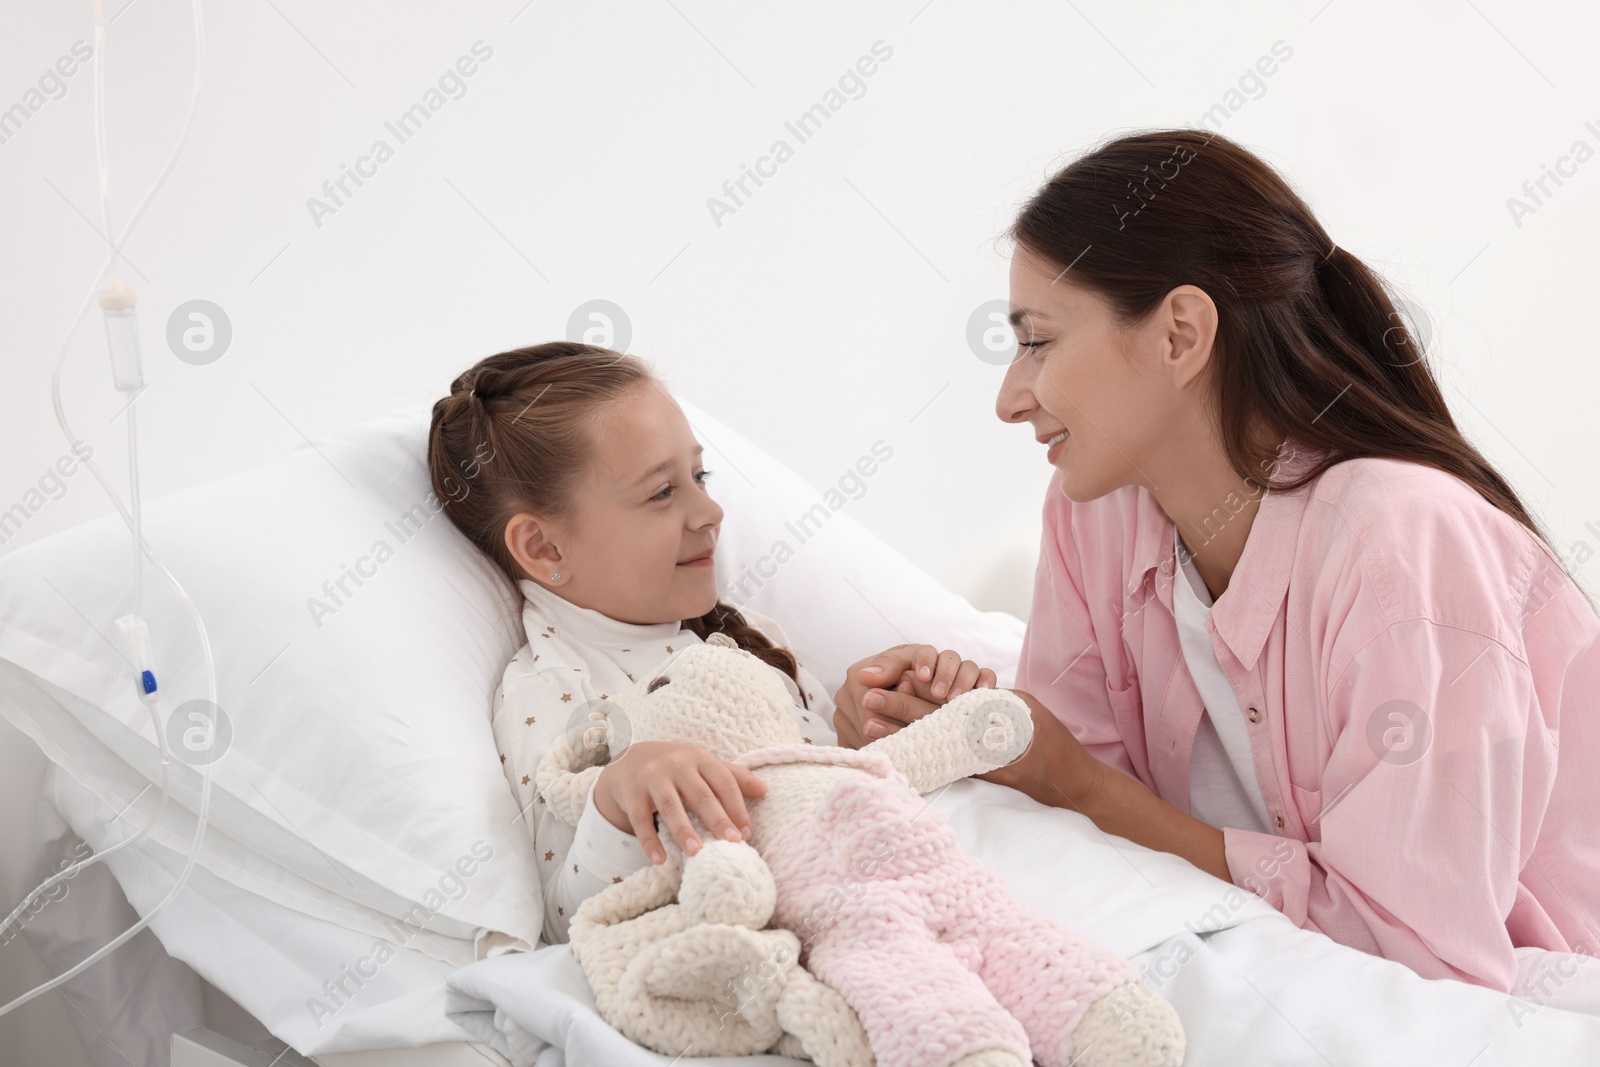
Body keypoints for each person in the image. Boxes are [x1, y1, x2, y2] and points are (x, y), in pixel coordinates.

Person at [833, 128, 1600, 998]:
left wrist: (1077, 783)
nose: (1011, 398)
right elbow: (1062, 803)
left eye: (1038, 341)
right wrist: (945, 731)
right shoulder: (1098, 512)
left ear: (1180, 334)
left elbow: (1416, 953)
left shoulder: (1402, 546)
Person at [427, 343, 839, 944]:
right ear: (545, 548)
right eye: (662, 494)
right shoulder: (551, 694)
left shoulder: (746, 637)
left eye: (698, 476)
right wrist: (614, 804)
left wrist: (869, 724)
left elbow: (828, 780)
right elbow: (561, 922)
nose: (711, 510)